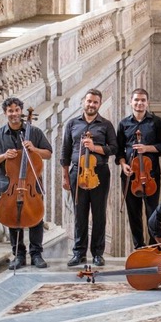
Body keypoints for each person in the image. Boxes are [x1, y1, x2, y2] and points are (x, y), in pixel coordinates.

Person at [0, 97, 52, 270]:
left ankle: (36, 254)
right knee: (12, 219)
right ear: (5, 113)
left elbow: (48, 153)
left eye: (16, 110)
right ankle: (18, 254)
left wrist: (34, 149)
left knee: (36, 218)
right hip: (9, 186)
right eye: (10, 111)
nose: (14, 114)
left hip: (31, 186)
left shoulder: (34, 133)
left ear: (21, 112)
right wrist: (4, 156)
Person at [61, 89, 118, 267]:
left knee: (99, 214)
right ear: (83, 102)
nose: (91, 104)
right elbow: (65, 152)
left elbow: (114, 148)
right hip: (76, 172)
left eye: (95, 102)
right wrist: (65, 177)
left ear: (99, 104)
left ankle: (97, 253)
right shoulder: (72, 124)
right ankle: (79, 253)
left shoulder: (106, 125)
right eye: (89, 101)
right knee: (79, 214)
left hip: (99, 172)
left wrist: (94, 148)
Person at [116, 88, 161, 250]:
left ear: (147, 102)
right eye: (136, 100)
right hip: (131, 175)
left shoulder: (156, 122)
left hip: (151, 174)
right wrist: (124, 165)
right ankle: (139, 246)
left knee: (153, 213)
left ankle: (154, 247)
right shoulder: (124, 124)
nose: (139, 103)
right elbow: (119, 151)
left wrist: (147, 148)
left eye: (143, 100)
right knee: (134, 213)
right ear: (130, 102)